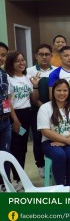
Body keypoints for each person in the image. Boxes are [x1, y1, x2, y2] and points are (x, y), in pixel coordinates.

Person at [37, 79, 70, 188]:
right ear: (53, 91)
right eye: (58, 90)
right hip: (50, 142)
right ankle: (60, 187)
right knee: (59, 155)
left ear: (69, 92)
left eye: (65, 90)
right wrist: (66, 141)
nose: (62, 93)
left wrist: (66, 141)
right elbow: (45, 131)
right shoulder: (45, 108)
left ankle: (69, 186)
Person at [5, 51, 40, 189]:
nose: (21, 63)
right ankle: (15, 179)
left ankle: (20, 178)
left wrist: (36, 85)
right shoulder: (8, 78)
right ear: (11, 63)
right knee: (15, 148)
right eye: (17, 61)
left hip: (28, 114)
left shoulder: (27, 77)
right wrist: (15, 120)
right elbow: (7, 102)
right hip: (15, 115)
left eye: (23, 60)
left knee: (24, 148)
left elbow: (34, 99)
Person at [27, 44, 57, 178]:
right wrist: (44, 108)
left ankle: (56, 163)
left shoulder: (56, 70)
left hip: (56, 111)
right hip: (37, 110)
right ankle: (41, 165)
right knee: (39, 138)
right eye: (41, 54)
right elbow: (31, 97)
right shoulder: (29, 71)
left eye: (47, 54)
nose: (44, 57)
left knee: (55, 136)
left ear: (51, 56)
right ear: (36, 56)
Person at [0, 42, 11, 192]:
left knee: (6, 155)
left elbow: (5, 98)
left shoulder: (3, 74)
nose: (1, 58)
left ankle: (5, 185)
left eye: (3, 55)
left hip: (5, 122)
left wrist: (9, 115)